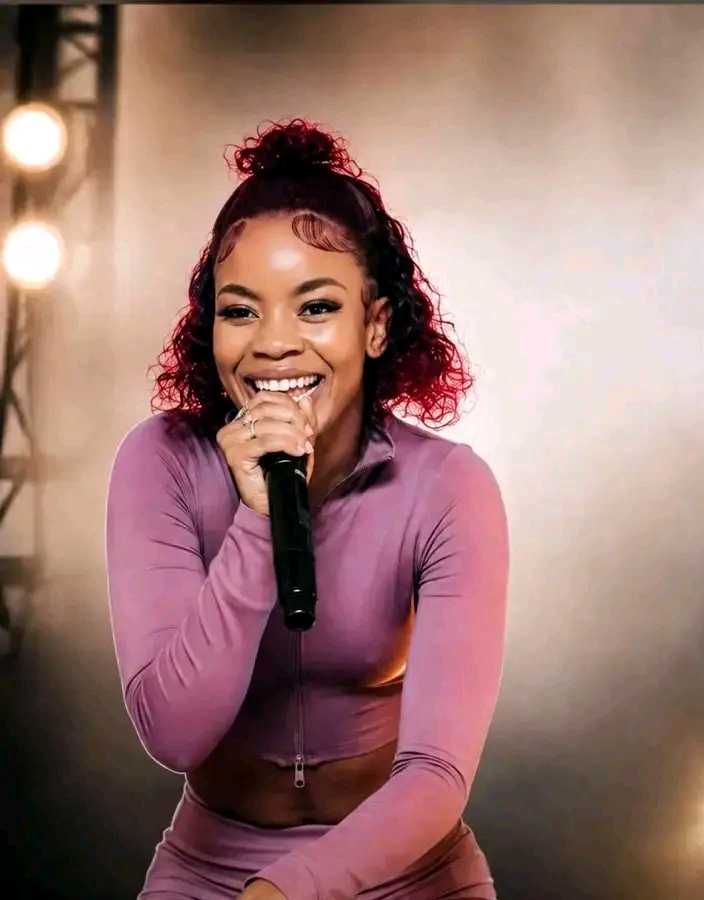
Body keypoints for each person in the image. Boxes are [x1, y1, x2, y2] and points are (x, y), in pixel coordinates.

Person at [106, 118, 509, 900]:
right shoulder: (161, 461)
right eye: (240, 311)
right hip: (208, 870)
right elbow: (174, 733)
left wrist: (284, 893)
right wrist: (257, 518)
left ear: (376, 324)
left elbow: (435, 773)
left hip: (407, 875)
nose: (274, 344)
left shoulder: (447, 487)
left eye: (315, 307)